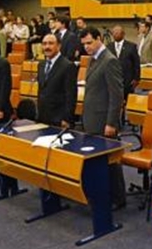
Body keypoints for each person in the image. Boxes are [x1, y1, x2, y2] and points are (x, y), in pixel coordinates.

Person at [79, 26, 125, 209]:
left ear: (99, 39)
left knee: (110, 162)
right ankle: (101, 195)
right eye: (84, 44)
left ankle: (117, 198)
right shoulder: (94, 59)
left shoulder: (109, 61)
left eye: (90, 43)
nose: (87, 47)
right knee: (96, 161)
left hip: (104, 120)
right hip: (91, 117)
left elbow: (117, 95)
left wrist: (111, 122)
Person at [37, 34, 77, 127]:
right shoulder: (41, 65)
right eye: (44, 44)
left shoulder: (68, 66)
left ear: (59, 46)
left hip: (59, 119)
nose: (47, 47)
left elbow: (71, 95)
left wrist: (67, 119)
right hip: (43, 117)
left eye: (51, 43)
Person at [107, 25, 140, 101]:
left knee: (127, 101)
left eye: (118, 33)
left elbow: (136, 64)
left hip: (127, 81)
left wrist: (136, 78)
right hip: (113, 80)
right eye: (114, 33)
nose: (115, 34)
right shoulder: (109, 47)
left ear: (123, 34)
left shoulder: (131, 46)